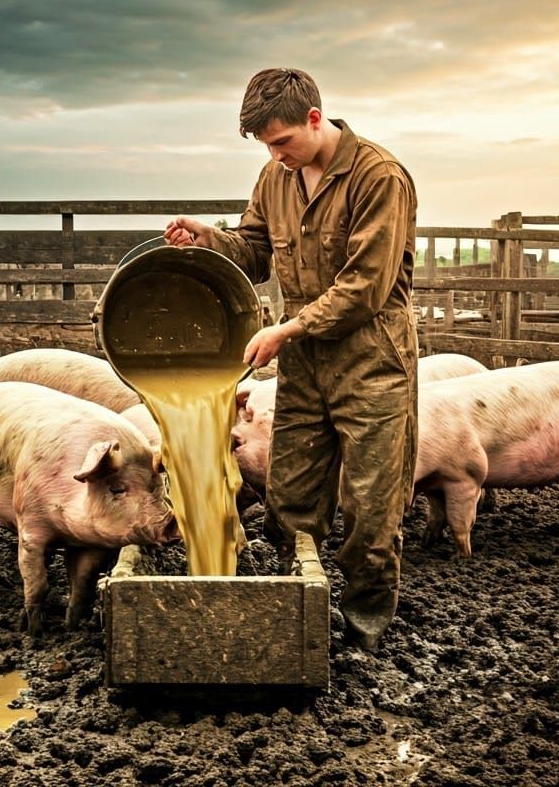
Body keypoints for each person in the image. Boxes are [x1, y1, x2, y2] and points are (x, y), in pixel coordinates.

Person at [163, 67, 418, 651]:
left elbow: (367, 285)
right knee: (292, 493)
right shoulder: (275, 177)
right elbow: (253, 252)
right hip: (304, 361)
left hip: (373, 356)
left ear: (313, 118)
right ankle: (294, 606)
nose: (276, 155)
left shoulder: (379, 176)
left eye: (281, 141)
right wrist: (209, 239)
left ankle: (364, 625)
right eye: (265, 145)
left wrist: (288, 327)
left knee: (372, 505)